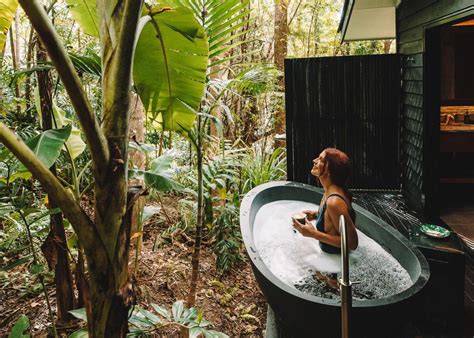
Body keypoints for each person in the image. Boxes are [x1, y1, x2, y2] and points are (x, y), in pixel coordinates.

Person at [292, 148, 358, 253]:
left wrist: (313, 234)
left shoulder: (334, 202)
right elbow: (334, 223)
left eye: (320, 159)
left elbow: (352, 243)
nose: (314, 160)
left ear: (329, 169)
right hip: (328, 257)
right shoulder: (330, 190)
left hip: (335, 263)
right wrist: (316, 215)